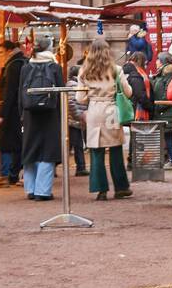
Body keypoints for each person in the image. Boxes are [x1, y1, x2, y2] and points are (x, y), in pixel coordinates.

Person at [76, 37, 134, 200]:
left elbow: (80, 98)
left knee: (96, 151)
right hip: (111, 111)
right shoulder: (116, 69)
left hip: (94, 111)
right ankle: (121, 187)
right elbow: (128, 92)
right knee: (115, 149)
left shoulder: (84, 71)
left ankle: (100, 189)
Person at [20, 36, 65, 201]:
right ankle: (43, 191)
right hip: (50, 114)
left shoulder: (26, 67)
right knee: (48, 151)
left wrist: (21, 115)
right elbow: (61, 93)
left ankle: (30, 189)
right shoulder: (55, 67)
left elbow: (20, 93)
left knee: (30, 150)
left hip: (29, 114)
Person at [0, 40, 26, 186]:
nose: (0, 55)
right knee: (16, 143)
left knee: (6, 142)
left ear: (10, 50)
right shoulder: (22, 62)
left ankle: (6, 175)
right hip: (19, 108)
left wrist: (1, 114)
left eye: (2, 52)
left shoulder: (12, 65)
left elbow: (9, 92)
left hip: (11, 110)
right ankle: (13, 174)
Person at [150, 53, 172, 166]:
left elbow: (169, 94)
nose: (156, 61)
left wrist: (159, 105)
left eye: (158, 59)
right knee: (167, 137)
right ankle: (170, 158)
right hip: (162, 110)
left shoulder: (169, 74)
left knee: (169, 136)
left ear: (163, 61)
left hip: (166, 111)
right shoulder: (162, 74)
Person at [123, 50, 153, 120]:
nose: (146, 66)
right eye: (145, 63)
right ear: (141, 62)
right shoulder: (136, 74)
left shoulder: (126, 71)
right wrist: (150, 107)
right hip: (136, 111)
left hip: (129, 109)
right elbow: (140, 94)